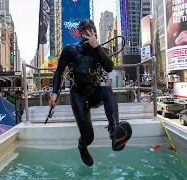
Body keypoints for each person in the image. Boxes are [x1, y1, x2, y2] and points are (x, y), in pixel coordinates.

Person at [49, 19, 132, 167]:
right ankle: (82, 146)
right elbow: (59, 71)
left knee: (106, 91)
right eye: (85, 32)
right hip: (77, 95)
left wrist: (97, 47)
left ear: (95, 32)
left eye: (91, 31)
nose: (88, 34)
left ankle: (114, 132)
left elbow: (109, 68)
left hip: (94, 91)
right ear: (80, 34)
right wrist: (54, 93)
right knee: (89, 136)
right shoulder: (70, 50)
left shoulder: (101, 51)